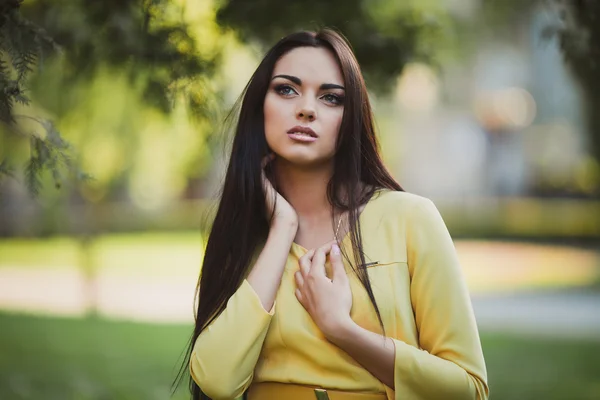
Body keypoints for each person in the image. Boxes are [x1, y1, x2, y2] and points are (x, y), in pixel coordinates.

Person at [178, 29, 489, 400]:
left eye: (330, 97)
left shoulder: (410, 219)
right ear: (260, 106)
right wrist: (283, 227)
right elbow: (216, 380)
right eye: (287, 89)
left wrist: (342, 329)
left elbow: (467, 389)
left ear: (351, 118)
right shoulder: (243, 234)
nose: (306, 108)